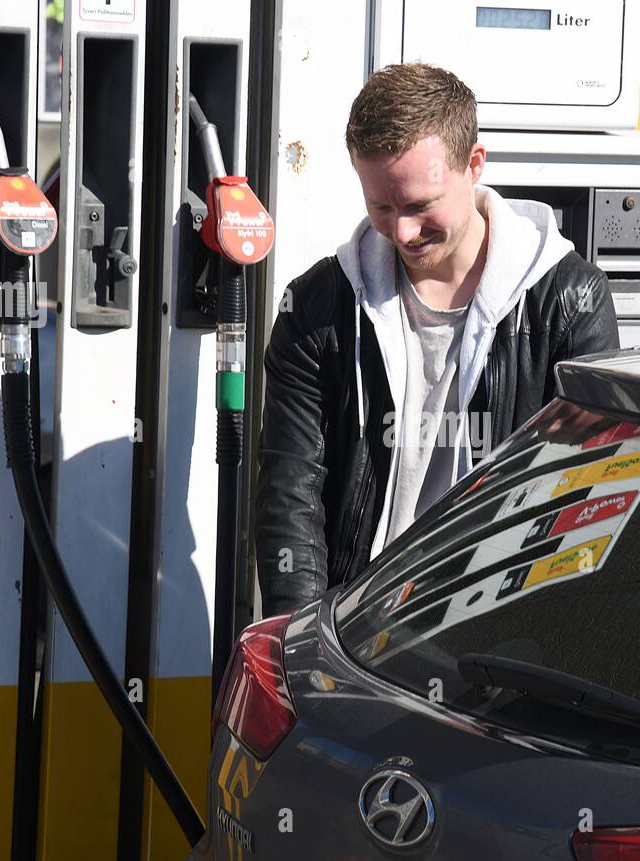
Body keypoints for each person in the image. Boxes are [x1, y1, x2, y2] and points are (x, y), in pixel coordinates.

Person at [255, 63, 619, 615]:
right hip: (354, 632)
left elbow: (589, 489)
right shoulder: (317, 307)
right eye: (381, 207)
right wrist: (299, 644)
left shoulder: (568, 301)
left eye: (420, 206)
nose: (401, 232)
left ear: (474, 164)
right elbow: (290, 492)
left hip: (503, 632)